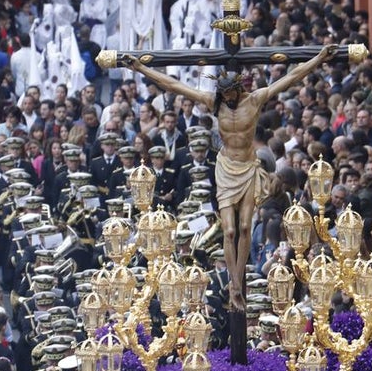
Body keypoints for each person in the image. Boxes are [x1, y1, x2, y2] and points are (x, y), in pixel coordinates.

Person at [122, 44, 337, 315]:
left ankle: (237, 285)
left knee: (245, 226)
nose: (228, 98)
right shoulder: (215, 103)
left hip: (247, 166)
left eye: (231, 93)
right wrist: (140, 67)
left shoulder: (255, 100)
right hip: (225, 167)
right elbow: (173, 85)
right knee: (230, 230)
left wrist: (318, 58)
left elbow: (290, 79)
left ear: (238, 88)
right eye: (223, 94)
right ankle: (235, 284)